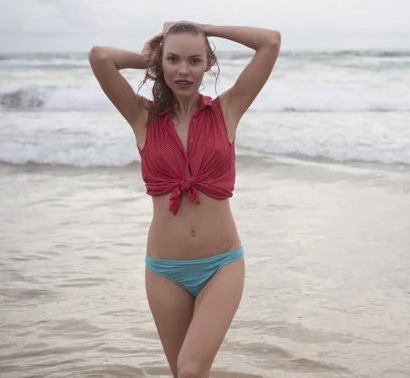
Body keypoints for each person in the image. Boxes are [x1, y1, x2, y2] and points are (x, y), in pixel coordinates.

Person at [88, 21, 281, 377]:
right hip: (165, 272)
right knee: (185, 373)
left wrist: (206, 29)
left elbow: (270, 42)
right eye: (173, 60)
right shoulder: (142, 117)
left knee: (191, 369)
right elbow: (100, 57)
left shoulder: (228, 110)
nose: (183, 70)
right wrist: (148, 58)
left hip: (221, 265)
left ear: (208, 63)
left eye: (195, 60)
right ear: (160, 64)